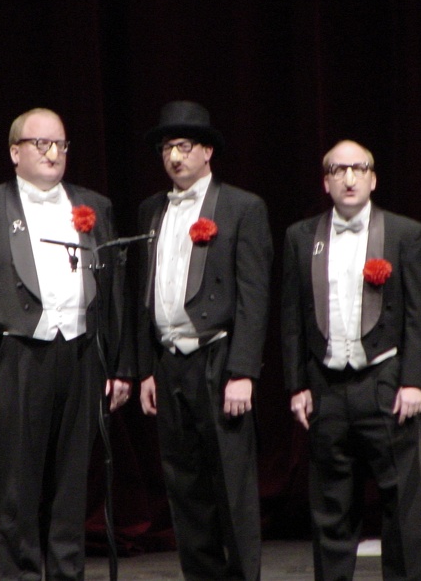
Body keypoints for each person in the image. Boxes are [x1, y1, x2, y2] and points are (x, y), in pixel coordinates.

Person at [0, 108, 134, 580]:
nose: (53, 153)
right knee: (19, 484)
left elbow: (116, 292)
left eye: (60, 144)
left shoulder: (94, 205)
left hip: (82, 353)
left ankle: (68, 573)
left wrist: (121, 366)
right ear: (15, 152)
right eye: (41, 144)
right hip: (18, 356)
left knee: (72, 482)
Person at [282, 139, 421, 580]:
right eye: (338, 170)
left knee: (402, 502)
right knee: (330, 505)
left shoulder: (405, 233)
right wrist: (297, 385)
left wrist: (414, 381)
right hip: (326, 386)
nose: (349, 178)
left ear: (373, 178)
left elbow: (420, 314)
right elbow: (291, 317)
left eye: (358, 169)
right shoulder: (301, 236)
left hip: (384, 382)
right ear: (325, 181)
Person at [137, 100, 273, 581]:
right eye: (166, 148)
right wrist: (147, 368)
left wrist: (243, 372)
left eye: (183, 146)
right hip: (170, 360)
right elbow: (144, 293)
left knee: (231, 484)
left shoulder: (240, 207)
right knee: (184, 485)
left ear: (207, 151)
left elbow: (254, 295)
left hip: (218, 357)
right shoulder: (152, 210)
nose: (174, 157)